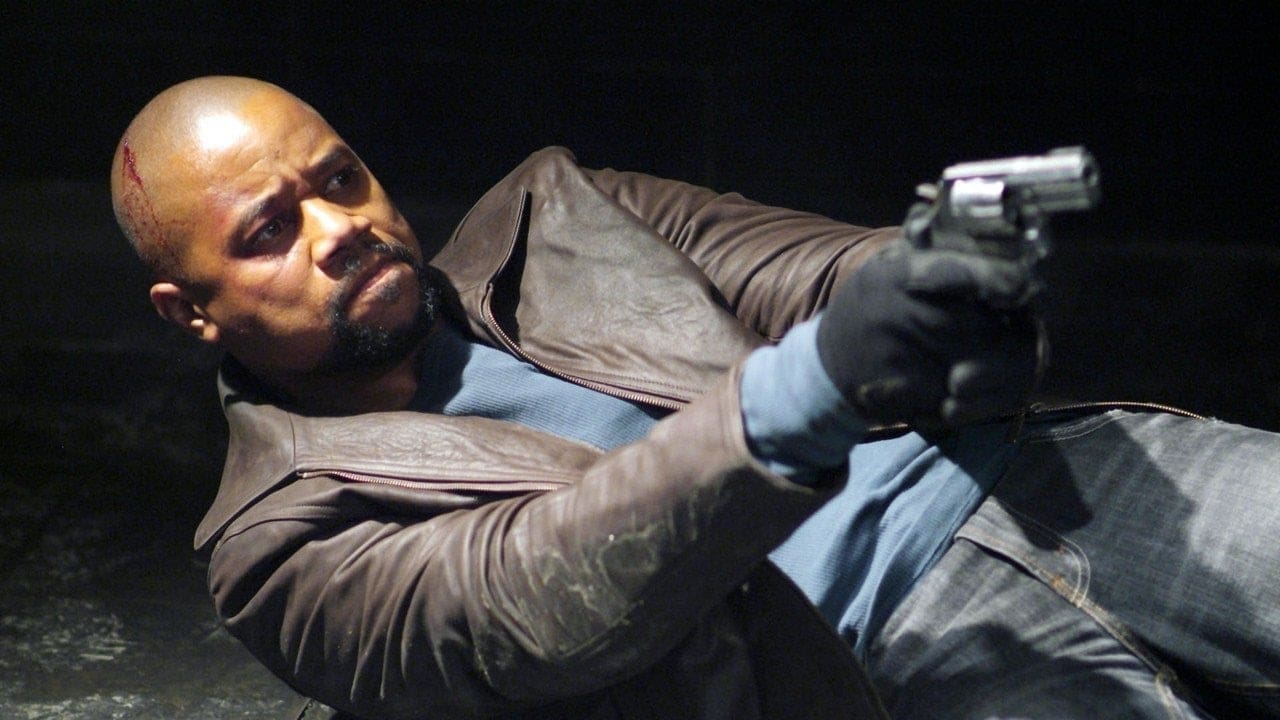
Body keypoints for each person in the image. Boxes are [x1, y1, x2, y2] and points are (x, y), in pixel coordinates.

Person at [110, 76, 1278, 720]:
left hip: (1036, 483)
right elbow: (537, 599)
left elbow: (815, 274)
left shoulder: (555, 214)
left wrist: (942, 290)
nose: (339, 228)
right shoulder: (278, 550)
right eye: (268, 231)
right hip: (867, 665)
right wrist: (810, 385)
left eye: (339, 179)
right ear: (188, 310)